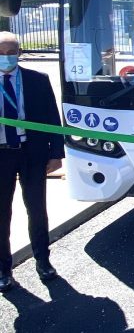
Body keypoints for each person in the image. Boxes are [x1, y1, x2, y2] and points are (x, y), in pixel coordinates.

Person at [0, 31, 64, 292]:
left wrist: (56, 153)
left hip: (32, 153)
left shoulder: (37, 80)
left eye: (11, 53)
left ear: (19, 53)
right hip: (2, 154)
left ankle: (43, 261)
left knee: (36, 210)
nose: (6, 57)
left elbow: (52, 117)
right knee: (2, 213)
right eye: (1, 53)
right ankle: (4, 270)